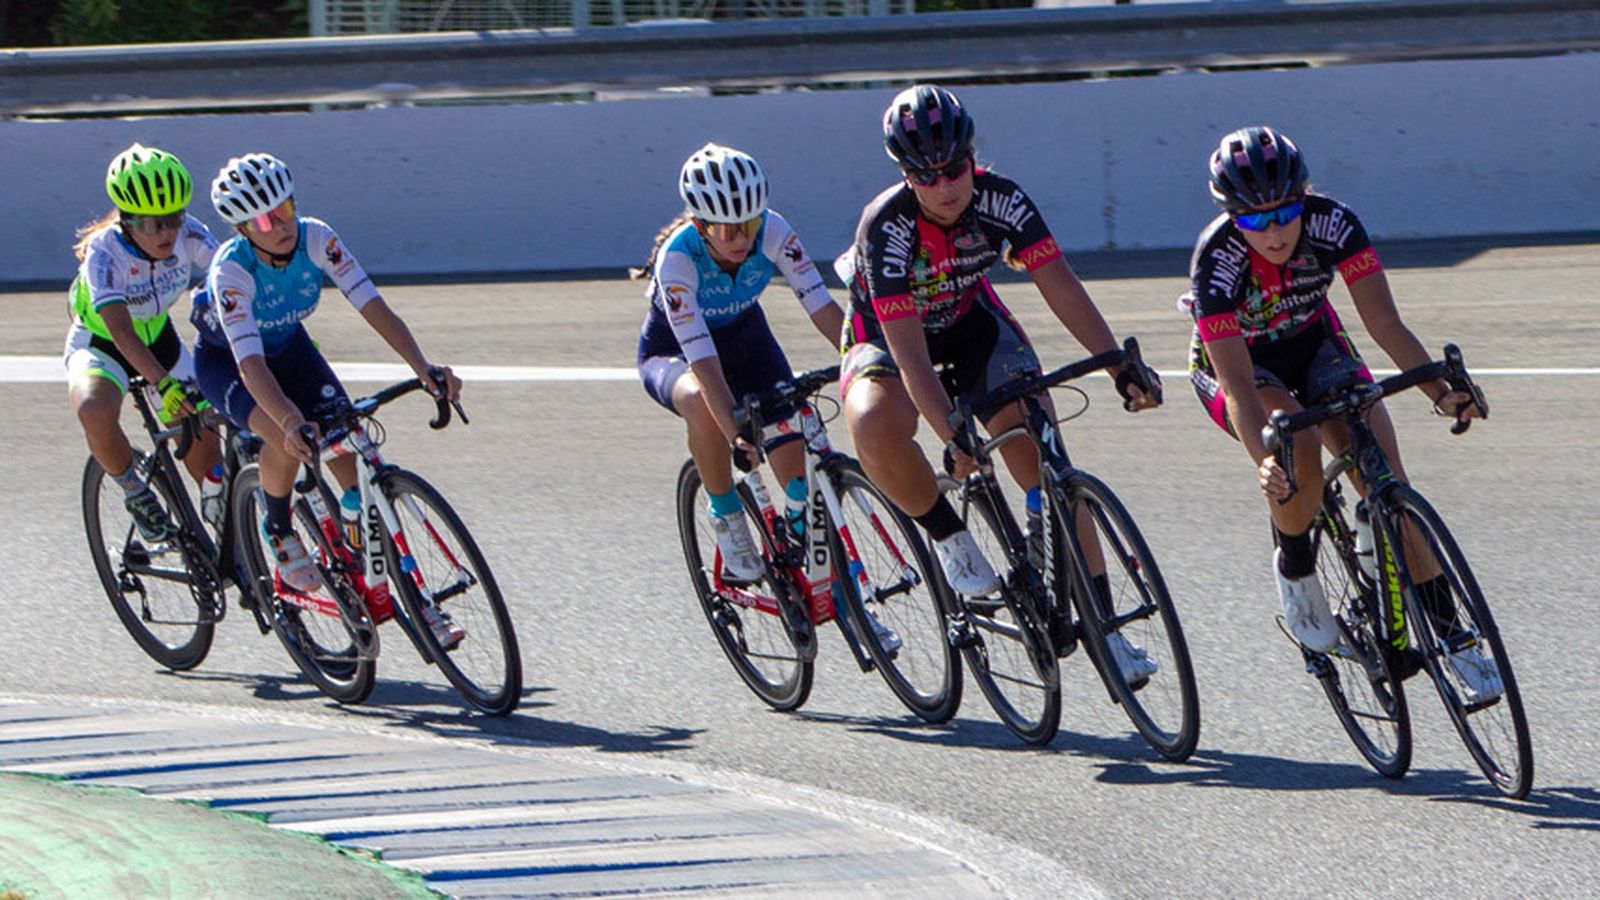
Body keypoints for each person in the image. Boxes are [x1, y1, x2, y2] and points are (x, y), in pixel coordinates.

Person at [837, 84, 1159, 683]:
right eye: (926, 175)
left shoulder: (1000, 198)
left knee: (1044, 453)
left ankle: (1104, 630)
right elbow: (907, 354)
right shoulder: (887, 227)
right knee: (875, 422)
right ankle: (953, 541)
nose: (945, 185)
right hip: (888, 336)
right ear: (905, 174)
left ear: (971, 156)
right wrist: (952, 434)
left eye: (955, 167)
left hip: (970, 324)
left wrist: (1117, 361)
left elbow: (1060, 285)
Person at [1179, 125, 1499, 701]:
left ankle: (1455, 638)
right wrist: (1262, 460)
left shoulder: (1334, 223)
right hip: (1244, 368)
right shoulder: (1217, 262)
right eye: (1254, 220)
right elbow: (1239, 388)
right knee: (1293, 444)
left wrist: (1440, 391)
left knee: (1383, 468)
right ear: (1232, 218)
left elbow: (1384, 325)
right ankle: (1296, 570)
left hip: (1313, 343)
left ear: (1304, 196)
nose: (1274, 232)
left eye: (1285, 213)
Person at [190, 152, 466, 648]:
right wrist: (291, 418)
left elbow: (374, 307)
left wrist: (423, 368)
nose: (278, 225)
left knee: (353, 460)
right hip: (229, 365)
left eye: (285, 209)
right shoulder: (230, 272)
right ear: (241, 229)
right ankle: (278, 528)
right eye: (261, 219)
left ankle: (410, 597)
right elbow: (251, 366)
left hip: (291, 349)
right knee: (282, 435)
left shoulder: (317, 237)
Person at [632, 144, 903, 649]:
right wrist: (735, 434)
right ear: (699, 224)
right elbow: (704, 363)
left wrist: (867, 358)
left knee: (796, 468)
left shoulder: (774, 230)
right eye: (726, 229)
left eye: (749, 225)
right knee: (702, 404)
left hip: (748, 343)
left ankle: (845, 600)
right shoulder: (677, 262)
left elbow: (824, 309)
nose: (741, 239)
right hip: (679, 355)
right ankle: (726, 514)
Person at [65, 143, 224, 542]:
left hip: (157, 338)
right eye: (153, 224)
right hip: (103, 343)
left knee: (206, 442)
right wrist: (164, 384)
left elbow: (232, 279)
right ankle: (134, 491)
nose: (168, 232)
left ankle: (221, 512)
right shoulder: (104, 255)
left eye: (173, 218)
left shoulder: (191, 234)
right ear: (128, 221)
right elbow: (120, 330)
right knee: (92, 408)